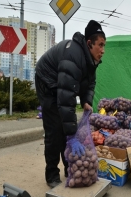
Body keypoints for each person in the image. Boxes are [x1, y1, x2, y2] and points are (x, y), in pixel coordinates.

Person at [35, 20, 106, 188]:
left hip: (61, 86)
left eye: (104, 46)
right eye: (100, 45)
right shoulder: (73, 56)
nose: (103, 50)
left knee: (66, 128)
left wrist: (87, 101)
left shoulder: (91, 60)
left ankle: (70, 166)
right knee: (55, 130)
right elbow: (66, 101)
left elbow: (90, 83)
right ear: (89, 43)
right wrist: (71, 135)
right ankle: (52, 174)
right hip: (47, 82)